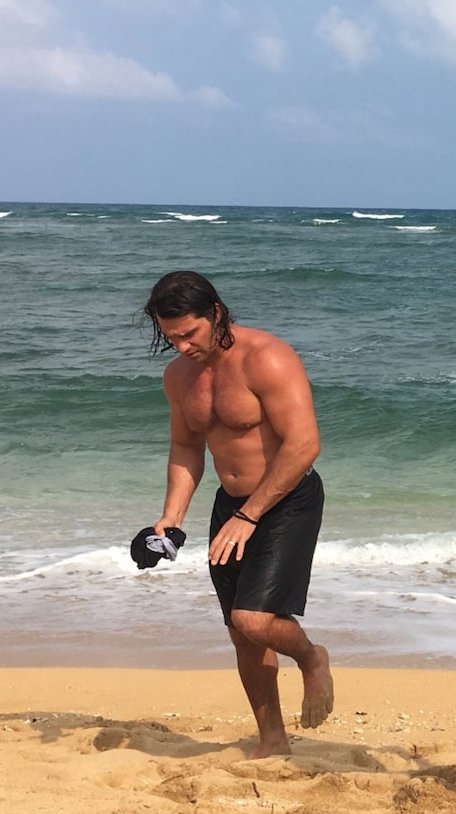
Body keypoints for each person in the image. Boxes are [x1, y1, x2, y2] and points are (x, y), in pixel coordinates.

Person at [142, 270, 334, 758]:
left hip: (286, 499)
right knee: (240, 633)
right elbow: (186, 448)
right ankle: (272, 740)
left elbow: (304, 445)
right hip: (232, 507)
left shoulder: (267, 357)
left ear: (216, 314)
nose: (183, 346)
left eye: (190, 334)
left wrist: (249, 516)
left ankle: (312, 658)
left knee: (253, 618)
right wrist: (171, 518)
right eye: (172, 338)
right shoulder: (179, 377)